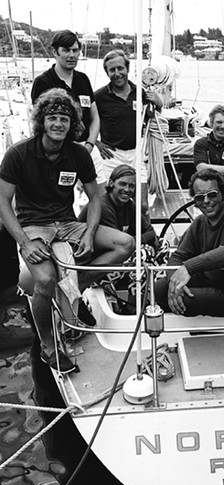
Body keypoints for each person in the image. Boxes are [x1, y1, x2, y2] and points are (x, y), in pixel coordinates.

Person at [0, 88, 135, 373]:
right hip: (33, 224)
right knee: (46, 279)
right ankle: (49, 345)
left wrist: (89, 232)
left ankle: (76, 286)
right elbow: (2, 200)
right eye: (52, 117)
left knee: (125, 244)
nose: (58, 123)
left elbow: (95, 195)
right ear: (41, 122)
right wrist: (24, 243)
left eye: (64, 118)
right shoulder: (18, 153)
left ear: (72, 123)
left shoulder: (77, 154)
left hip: (68, 222)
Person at [154, 169, 224, 317]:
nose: (206, 201)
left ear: (223, 194)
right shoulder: (200, 223)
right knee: (158, 289)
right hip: (211, 282)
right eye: (199, 197)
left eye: (212, 195)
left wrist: (188, 268)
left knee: (182, 299)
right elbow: (177, 257)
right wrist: (175, 284)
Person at [31, 29, 106, 193]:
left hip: (87, 150)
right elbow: (39, 122)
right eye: (66, 50)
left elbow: (94, 117)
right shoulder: (43, 82)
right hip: (58, 153)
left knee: (101, 198)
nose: (71, 55)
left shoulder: (83, 79)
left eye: (75, 50)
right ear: (55, 52)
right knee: (62, 200)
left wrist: (90, 144)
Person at [94, 49, 163, 214]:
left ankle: (144, 238)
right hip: (111, 157)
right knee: (110, 206)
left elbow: (152, 115)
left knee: (142, 206)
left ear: (127, 69)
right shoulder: (99, 96)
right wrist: (96, 143)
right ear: (107, 73)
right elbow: (83, 123)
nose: (117, 73)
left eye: (120, 68)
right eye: (112, 70)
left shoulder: (140, 93)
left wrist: (159, 103)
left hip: (136, 154)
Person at [78, 164, 159, 247]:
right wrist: (139, 239)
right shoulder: (103, 206)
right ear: (111, 183)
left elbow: (151, 232)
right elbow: (119, 243)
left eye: (131, 186)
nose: (127, 189)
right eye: (122, 184)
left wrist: (135, 240)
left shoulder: (129, 204)